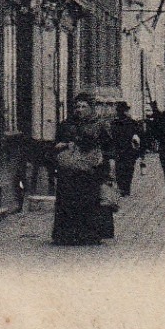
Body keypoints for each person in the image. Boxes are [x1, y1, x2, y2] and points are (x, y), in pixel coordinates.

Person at [52, 93, 114, 246]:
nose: (79, 110)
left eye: (83, 106)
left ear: (91, 108)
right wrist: (64, 145)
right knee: (67, 202)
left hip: (91, 171)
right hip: (70, 170)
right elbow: (57, 144)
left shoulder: (99, 125)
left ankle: (89, 235)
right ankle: (66, 235)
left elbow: (109, 148)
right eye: (77, 106)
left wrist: (109, 167)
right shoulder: (66, 124)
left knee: (90, 202)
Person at [110, 102, 143, 198]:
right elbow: (138, 136)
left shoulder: (114, 123)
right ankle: (126, 188)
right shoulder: (132, 122)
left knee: (120, 169)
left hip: (120, 150)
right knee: (128, 169)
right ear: (125, 111)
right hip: (129, 150)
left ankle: (122, 188)